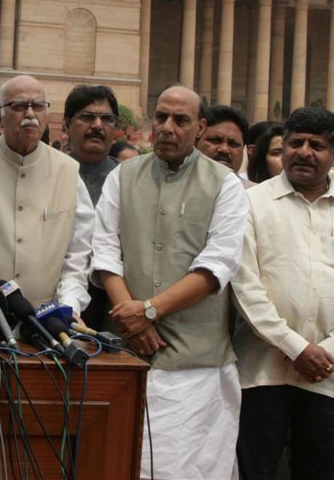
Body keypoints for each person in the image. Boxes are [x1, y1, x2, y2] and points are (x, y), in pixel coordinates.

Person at [91, 84, 247, 480]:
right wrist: (132, 318)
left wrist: (148, 311)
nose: (167, 127)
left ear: (200, 128)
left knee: (187, 470)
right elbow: (106, 251)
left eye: (180, 120)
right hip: (127, 358)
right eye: (160, 117)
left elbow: (216, 267)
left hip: (197, 366)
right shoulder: (123, 177)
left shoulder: (225, 185)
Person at [232, 107, 334, 480]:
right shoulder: (251, 203)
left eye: (316, 145)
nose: (304, 152)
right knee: (253, 471)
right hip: (262, 372)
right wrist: (296, 347)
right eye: (296, 143)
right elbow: (244, 284)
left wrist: (332, 350)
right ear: (283, 147)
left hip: (331, 376)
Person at [0, 75, 93, 313]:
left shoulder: (68, 171)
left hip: (48, 321)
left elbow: (78, 256)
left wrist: (67, 308)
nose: (30, 115)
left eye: (38, 106)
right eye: (19, 106)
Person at [61, 85, 121, 329]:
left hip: (113, 303)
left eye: (107, 119)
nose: (97, 125)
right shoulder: (48, 174)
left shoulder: (127, 180)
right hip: (58, 298)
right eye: (87, 117)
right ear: (66, 124)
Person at [196, 104, 248, 174]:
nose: (224, 149)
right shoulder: (178, 183)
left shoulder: (253, 185)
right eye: (215, 140)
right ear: (195, 143)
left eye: (233, 144)